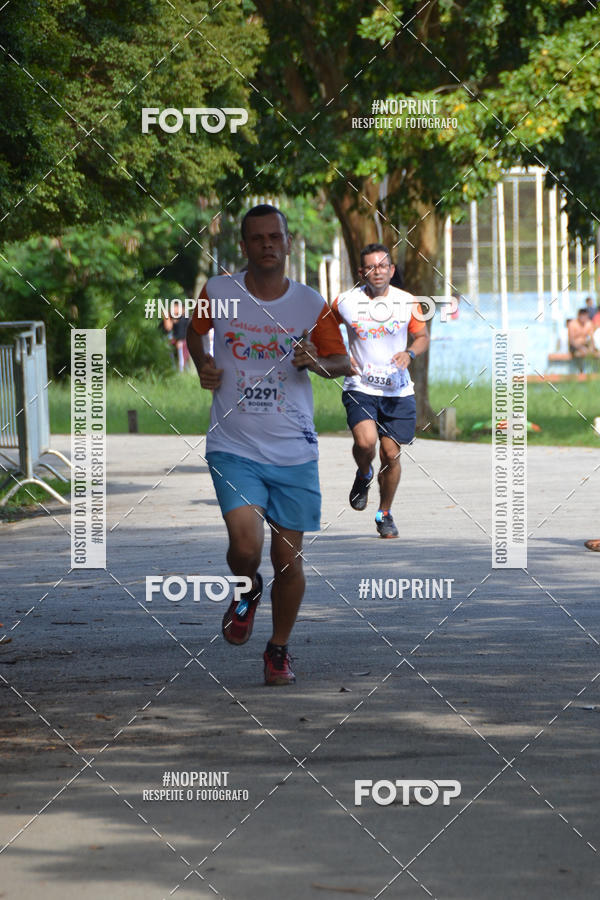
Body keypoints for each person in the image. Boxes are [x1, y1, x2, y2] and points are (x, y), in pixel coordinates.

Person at [186, 204, 351, 686]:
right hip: (233, 444)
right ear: (244, 246)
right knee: (245, 545)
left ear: (288, 243)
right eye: (257, 238)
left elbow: (343, 362)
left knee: (288, 559)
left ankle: (278, 650)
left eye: (274, 237)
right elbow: (195, 334)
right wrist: (203, 364)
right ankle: (247, 588)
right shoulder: (219, 292)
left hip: (294, 449)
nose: (267, 245)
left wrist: (316, 362)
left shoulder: (310, 304)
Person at [331, 243, 429, 538]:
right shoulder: (345, 301)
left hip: (397, 390)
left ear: (391, 270)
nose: (378, 271)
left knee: (390, 454)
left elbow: (422, 336)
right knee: (366, 443)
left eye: (383, 266)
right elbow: (322, 330)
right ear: (361, 272)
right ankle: (364, 473)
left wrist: (409, 354)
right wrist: (339, 354)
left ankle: (384, 513)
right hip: (360, 385)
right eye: (371, 267)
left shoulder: (407, 301)